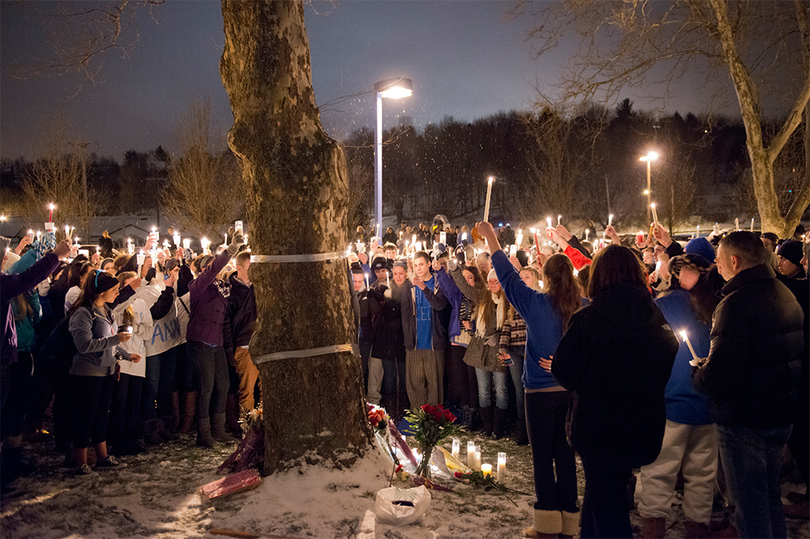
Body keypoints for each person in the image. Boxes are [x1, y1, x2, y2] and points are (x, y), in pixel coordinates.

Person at [552, 244, 679, 538]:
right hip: (641, 424)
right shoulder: (654, 317)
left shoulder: (588, 320)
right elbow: (667, 359)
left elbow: (565, 371)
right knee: (603, 494)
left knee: (610, 507)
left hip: (599, 428)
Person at [692, 231, 804, 538]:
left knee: (749, 508)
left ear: (734, 260)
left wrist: (699, 373)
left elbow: (722, 374)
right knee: (769, 500)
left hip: (746, 419)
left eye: (718, 259)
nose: (715, 266)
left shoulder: (735, 304)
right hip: (779, 413)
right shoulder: (784, 293)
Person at [479, 221, 582, 538]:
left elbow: (508, 278)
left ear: (547, 279)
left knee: (543, 458)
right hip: (569, 392)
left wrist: (492, 239)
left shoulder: (536, 304)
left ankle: (547, 522)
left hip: (539, 391)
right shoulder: (583, 306)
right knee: (565, 456)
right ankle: (568, 519)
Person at [635, 253, 718, 539]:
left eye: (687, 270)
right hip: (698, 401)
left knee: (667, 468)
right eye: (679, 269)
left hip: (678, 400)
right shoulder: (722, 304)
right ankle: (680, 525)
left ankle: (677, 526)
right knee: (696, 471)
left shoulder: (671, 304)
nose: (681, 275)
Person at [68, 270, 142, 477]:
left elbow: (110, 341)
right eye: (115, 289)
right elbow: (84, 345)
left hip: (106, 372)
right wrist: (117, 340)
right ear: (102, 292)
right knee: (86, 417)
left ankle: (102, 457)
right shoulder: (83, 312)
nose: (117, 293)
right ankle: (81, 462)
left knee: (101, 417)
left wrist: (127, 355)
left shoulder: (107, 311)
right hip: (87, 374)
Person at [186, 233, 244, 448]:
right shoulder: (198, 286)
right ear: (203, 270)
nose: (219, 270)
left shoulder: (224, 288)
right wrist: (228, 252)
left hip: (216, 342)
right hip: (200, 342)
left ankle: (219, 430)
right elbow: (212, 270)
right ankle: (204, 433)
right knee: (206, 387)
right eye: (213, 267)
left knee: (223, 384)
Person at [400, 251, 448, 409]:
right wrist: (408, 339)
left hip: (433, 342)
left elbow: (440, 305)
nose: (418, 268)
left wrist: (423, 288)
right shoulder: (409, 286)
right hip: (415, 342)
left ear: (429, 264)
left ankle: (433, 418)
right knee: (415, 383)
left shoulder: (437, 283)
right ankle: (419, 417)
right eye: (415, 265)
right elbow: (405, 315)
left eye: (421, 264)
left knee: (434, 383)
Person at [223, 251, 259, 411]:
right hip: (244, 345)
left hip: (260, 342)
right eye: (250, 268)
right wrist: (231, 349)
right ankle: (248, 427)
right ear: (239, 267)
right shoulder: (231, 292)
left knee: (265, 389)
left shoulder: (257, 287)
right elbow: (226, 323)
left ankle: (264, 423)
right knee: (247, 390)